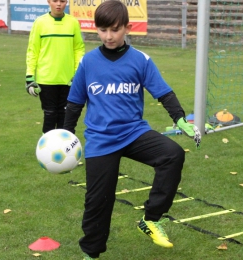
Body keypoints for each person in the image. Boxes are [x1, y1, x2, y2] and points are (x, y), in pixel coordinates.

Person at [63, 1, 201, 259]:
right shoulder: (88, 62)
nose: (108, 36)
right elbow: (74, 103)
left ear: (127, 28)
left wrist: (180, 119)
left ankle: (150, 220)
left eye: (114, 29)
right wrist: (65, 134)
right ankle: (90, 254)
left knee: (172, 154)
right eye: (102, 30)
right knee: (97, 203)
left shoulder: (140, 60)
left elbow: (164, 92)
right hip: (101, 140)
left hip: (134, 133)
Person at [25, 0, 85, 134]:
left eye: (62, 1)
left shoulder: (73, 22)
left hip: (68, 79)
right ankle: (47, 151)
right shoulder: (40, 22)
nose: (58, 4)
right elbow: (32, 50)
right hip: (46, 79)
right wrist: (30, 76)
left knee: (65, 116)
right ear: (48, 2)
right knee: (50, 114)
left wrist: (77, 73)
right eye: (55, 1)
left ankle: (65, 150)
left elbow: (79, 49)